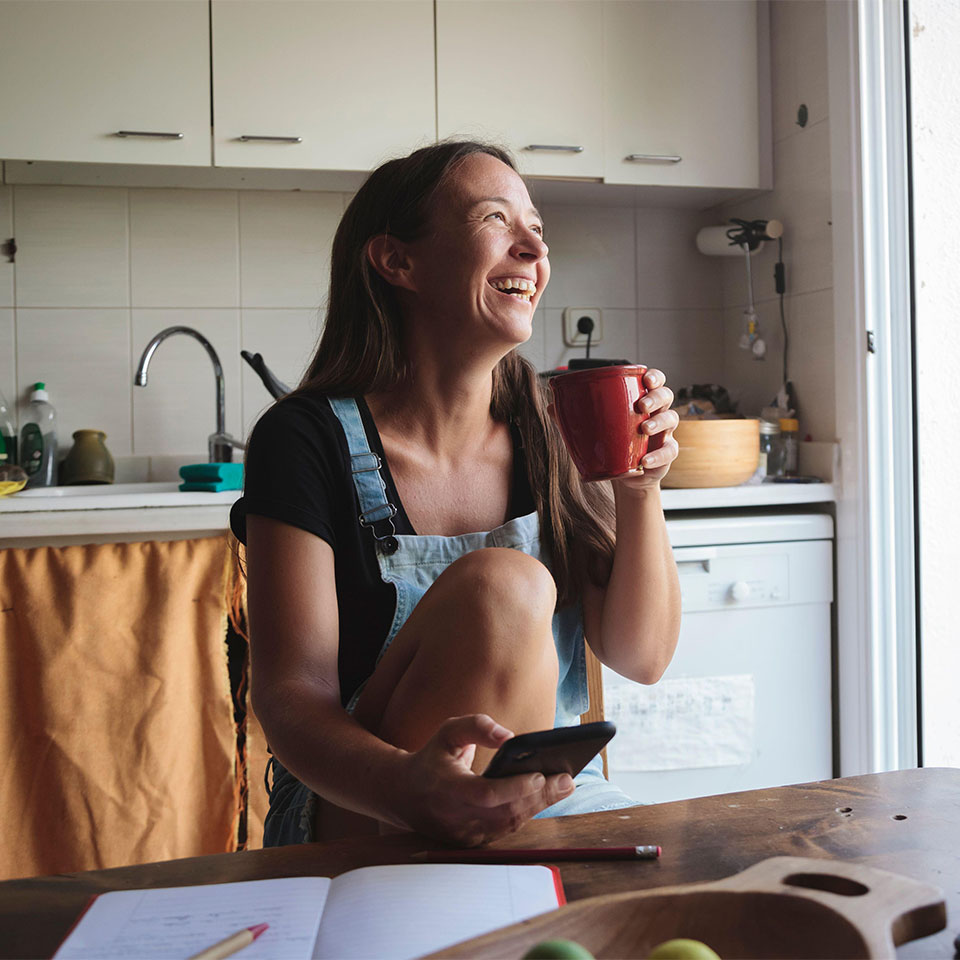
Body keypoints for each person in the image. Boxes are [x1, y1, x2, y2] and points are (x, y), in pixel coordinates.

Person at [230, 140, 682, 848]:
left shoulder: (548, 421)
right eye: (496, 220)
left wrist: (640, 492)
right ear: (397, 260)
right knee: (504, 587)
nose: (534, 247)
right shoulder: (303, 439)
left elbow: (642, 657)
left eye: (537, 227)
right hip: (363, 805)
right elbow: (290, 702)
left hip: (540, 807)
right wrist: (403, 786)